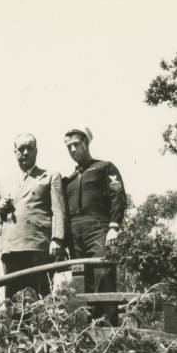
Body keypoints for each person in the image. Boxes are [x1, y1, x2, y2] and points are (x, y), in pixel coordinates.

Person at [0, 133, 66, 300]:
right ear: (15, 152)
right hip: (11, 247)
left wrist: (57, 239)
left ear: (36, 151)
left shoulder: (50, 176)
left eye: (29, 148)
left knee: (42, 299)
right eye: (21, 149)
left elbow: (58, 210)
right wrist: (1, 208)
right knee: (15, 301)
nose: (25, 153)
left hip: (38, 246)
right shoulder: (3, 181)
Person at [63, 126, 126, 323]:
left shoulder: (104, 167)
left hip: (99, 228)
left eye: (76, 144)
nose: (72, 149)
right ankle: (85, 330)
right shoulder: (69, 180)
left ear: (86, 143)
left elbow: (118, 196)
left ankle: (108, 328)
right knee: (79, 281)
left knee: (103, 276)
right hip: (75, 235)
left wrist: (114, 226)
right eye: (68, 146)